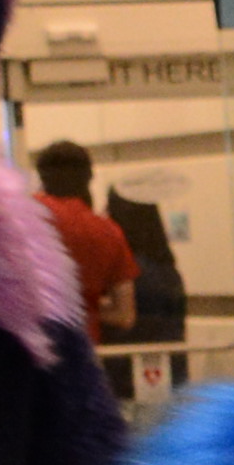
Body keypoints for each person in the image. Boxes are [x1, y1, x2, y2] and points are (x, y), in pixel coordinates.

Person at [27, 138, 140, 337]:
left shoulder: (25, 216)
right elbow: (124, 315)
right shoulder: (108, 231)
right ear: (89, 177)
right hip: (82, 346)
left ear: (41, 176)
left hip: (29, 344)